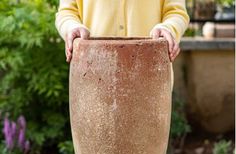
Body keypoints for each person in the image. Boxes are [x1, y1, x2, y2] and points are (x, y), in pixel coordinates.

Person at [55, 0, 189, 89]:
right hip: (93, 80)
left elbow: (176, 12)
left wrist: (169, 28)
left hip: (150, 80)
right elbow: (67, 12)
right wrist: (72, 27)